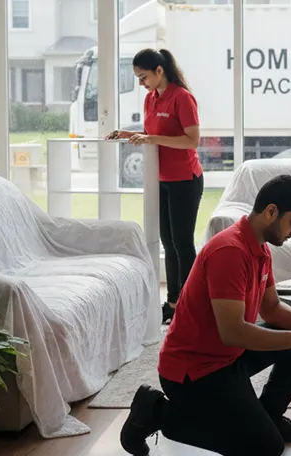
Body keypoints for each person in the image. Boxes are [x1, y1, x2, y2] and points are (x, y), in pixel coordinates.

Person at [119, 175, 291, 456]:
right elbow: (233, 332)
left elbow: (272, 309)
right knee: (266, 447)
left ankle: (270, 417)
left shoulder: (261, 249)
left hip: (227, 358)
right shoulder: (229, 251)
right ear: (271, 211)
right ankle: (157, 412)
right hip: (194, 373)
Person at [106, 48, 204, 325]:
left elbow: (191, 140)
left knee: (183, 243)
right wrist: (131, 135)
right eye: (138, 77)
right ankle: (173, 302)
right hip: (161, 180)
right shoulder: (151, 98)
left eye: (144, 76)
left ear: (160, 71)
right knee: (167, 243)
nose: (141, 83)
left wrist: (151, 140)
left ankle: (190, 302)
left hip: (185, 179)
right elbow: (155, 134)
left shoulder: (182, 97)